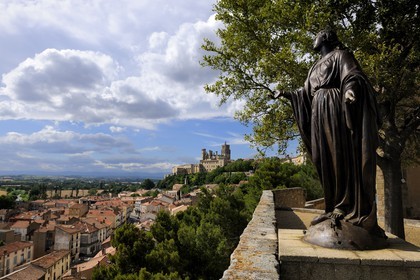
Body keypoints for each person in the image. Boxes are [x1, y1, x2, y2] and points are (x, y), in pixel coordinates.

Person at [275, 28, 384, 237]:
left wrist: (350, 91)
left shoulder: (341, 55)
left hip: (334, 107)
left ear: (324, 38)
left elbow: (352, 75)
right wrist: (288, 95)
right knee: (321, 158)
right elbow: (305, 93)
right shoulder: (314, 66)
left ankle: (343, 206)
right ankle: (331, 206)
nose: (313, 38)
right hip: (317, 111)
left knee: (337, 156)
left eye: (316, 35)